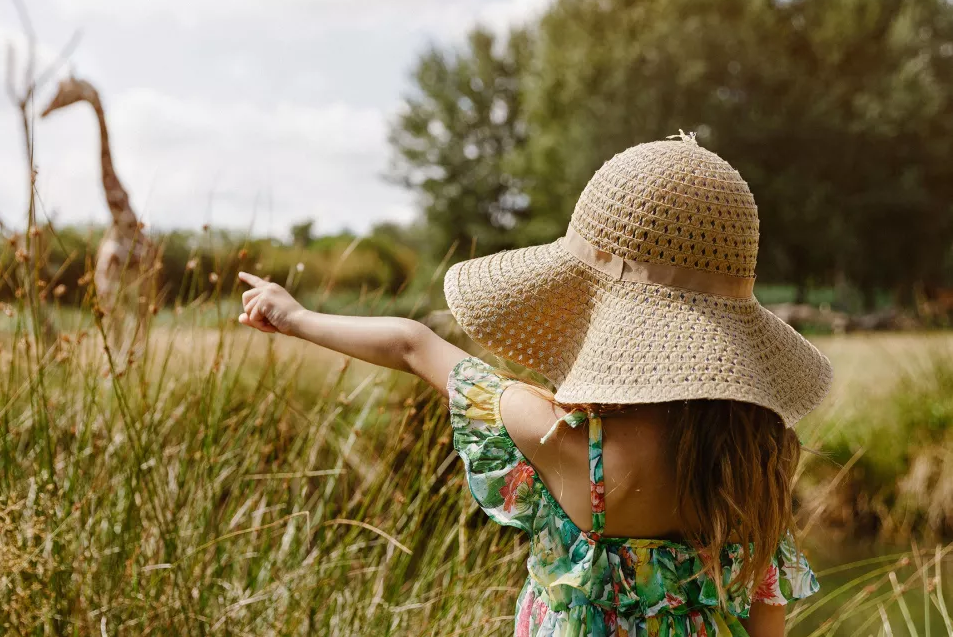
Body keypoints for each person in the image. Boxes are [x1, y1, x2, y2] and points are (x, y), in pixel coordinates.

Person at [237, 138, 831, 637]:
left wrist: (293, 317)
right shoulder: (756, 464)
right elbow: (767, 618)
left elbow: (411, 343)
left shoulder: (560, 438)